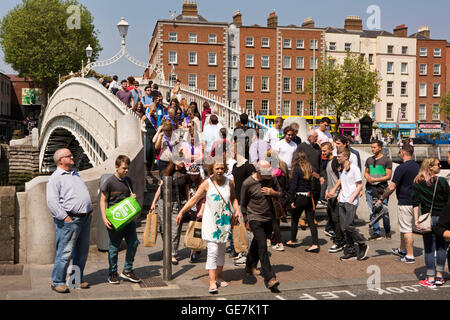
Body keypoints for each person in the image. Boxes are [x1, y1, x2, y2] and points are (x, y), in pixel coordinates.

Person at [176, 161, 241, 294]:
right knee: (213, 251)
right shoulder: (207, 183)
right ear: (212, 169)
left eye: (222, 168)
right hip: (211, 222)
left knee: (222, 251)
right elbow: (194, 199)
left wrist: (237, 210)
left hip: (224, 222)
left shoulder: (230, 182)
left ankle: (219, 277)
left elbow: (234, 198)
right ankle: (212, 282)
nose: (220, 170)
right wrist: (182, 212)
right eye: (217, 168)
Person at [46, 148, 93, 293]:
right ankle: (57, 281)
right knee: (65, 252)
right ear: (60, 160)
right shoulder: (56, 177)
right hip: (70, 219)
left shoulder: (75, 173)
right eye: (69, 156)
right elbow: (52, 201)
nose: (73, 157)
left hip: (84, 219)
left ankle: (75, 280)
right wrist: (66, 218)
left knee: (82, 252)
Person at [100, 155, 141, 284]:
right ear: (117, 167)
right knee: (113, 247)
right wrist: (104, 217)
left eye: (128, 168)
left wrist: (132, 197)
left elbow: (130, 198)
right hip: (115, 219)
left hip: (128, 219)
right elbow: (102, 200)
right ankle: (112, 273)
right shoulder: (110, 182)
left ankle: (127, 270)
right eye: (124, 168)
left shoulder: (129, 181)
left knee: (134, 243)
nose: (126, 170)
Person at [240, 160, 281, 290]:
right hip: (254, 217)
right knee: (263, 246)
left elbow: (281, 193)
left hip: (269, 217)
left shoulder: (272, 178)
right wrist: (246, 220)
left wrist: (272, 193)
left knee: (257, 242)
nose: (270, 174)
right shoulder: (248, 183)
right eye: (266, 172)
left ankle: (249, 266)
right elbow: (243, 204)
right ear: (258, 172)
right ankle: (270, 278)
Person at [376, 144, 420, 263]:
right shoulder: (418, 166)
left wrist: (381, 198)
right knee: (404, 226)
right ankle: (402, 249)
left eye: (400, 152)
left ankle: (409, 256)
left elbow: (392, 186)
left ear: (403, 153)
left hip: (405, 201)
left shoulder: (401, 168)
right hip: (416, 201)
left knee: (407, 229)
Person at [412, 158, 450, 288]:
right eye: (438, 164)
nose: (440, 166)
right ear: (430, 167)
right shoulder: (443, 182)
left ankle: (431, 278)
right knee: (442, 247)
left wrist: (416, 220)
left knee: (429, 248)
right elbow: (448, 201)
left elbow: (415, 203)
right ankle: (440, 276)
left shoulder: (418, 182)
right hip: (442, 219)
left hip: (427, 219)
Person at [151, 161, 190, 265]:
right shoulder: (166, 173)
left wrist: (189, 204)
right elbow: (160, 189)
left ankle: (172, 253)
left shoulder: (185, 175)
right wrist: (154, 202)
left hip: (177, 204)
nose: (183, 162)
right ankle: (167, 248)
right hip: (163, 203)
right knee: (163, 228)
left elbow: (187, 190)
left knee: (175, 230)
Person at [336, 148, 369, 261]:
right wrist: (340, 194)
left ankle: (362, 243)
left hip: (351, 201)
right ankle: (351, 251)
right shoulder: (342, 169)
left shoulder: (354, 169)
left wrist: (352, 197)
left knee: (348, 225)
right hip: (343, 200)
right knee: (343, 228)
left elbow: (359, 185)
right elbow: (343, 183)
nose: (337, 158)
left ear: (346, 157)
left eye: (339, 156)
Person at [287, 152, 320, 252]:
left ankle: (293, 240)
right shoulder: (311, 168)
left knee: (295, 219)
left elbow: (293, 186)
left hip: (300, 196)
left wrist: (292, 200)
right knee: (311, 221)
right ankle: (315, 244)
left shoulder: (297, 169)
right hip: (310, 197)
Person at [365, 140, 393, 240]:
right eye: (371, 147)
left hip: (382, 189)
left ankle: (387, 230)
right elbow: (366, 172)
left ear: (380, 148)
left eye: (374, 147)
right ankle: (376, 231)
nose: (372, 149)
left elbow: (388, 176)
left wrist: (375, 179)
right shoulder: (369, 160)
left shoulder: (387, 160)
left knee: (384, 210)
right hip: (370, 188)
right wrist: (367, 177)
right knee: (373, 210)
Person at [324, 143, 345, 254]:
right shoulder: (327, 162)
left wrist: (335, 190)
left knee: (336, 219)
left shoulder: (335, 161)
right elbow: (330, 179)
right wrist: (328, 189)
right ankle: (340, 238)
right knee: (332, 217)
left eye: (325, 150)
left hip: (337, 195)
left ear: (331, 150)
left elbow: (341, 178)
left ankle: (339, 242)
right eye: (322, 151)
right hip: (331, 194)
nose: (323, 153)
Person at [142, 103, 158, 175]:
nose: (153, 112)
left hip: (153, 135)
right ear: (150, 109)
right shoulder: (145, 117)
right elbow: (141, 125)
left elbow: (156, 126)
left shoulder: (155, 117)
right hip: (147, 135)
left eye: (154, 111)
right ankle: (147, 166)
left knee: (153, 150)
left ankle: (152, 166)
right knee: (148, 150)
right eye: (152, 110)